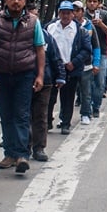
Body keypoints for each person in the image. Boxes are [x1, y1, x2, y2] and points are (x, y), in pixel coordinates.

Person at [0, 0, 45, 174]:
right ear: (6, 0)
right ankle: (9, 153)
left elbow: (39, 49)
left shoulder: (33, 22)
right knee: (6, 116)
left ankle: (22, 155)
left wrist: (40, 75)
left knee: (21, 115)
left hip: (24, 74)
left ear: (25, 1)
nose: (16, 2)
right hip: (2, 75)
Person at [45, 1, 93, 133]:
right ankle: (47, 121)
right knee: (49, 98)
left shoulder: (80, 30)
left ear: (73, 14)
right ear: (59, 13)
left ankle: (65, 123)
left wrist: (75, 62)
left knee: (68, 98)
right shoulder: (50, 27)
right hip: (54, 69)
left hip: (70, 69)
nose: (65, 16)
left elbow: (86, 50)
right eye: (63, 13)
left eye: (68, 13)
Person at [30, 21, 67, 162]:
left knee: (40, 116)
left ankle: (39, 148)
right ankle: (23, 147)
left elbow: (55, 57)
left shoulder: (47, 37)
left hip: (45, 82)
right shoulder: (20, 36)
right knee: (24, 116)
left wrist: (60, 76)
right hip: (24, 80)